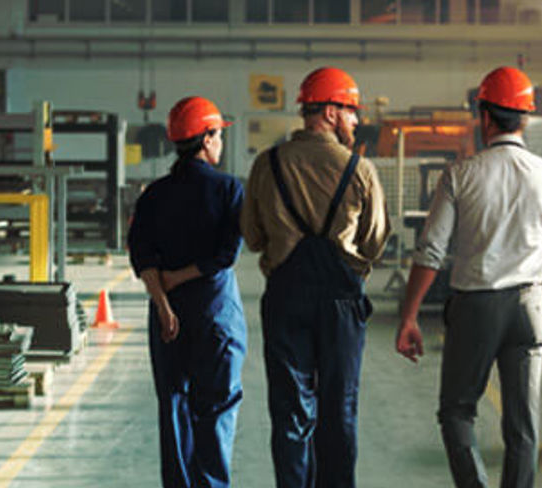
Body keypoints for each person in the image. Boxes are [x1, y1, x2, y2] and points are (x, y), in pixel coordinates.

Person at [395, 66, 542, 488]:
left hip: (477, 304)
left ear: (485, 118)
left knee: (457, 410)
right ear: (524, 119)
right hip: (530, 305)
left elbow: (431, 252)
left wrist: (409, 317)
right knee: (522, 423)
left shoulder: (462, 174)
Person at [241, 66, 391, 488]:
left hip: (285, 298)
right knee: (339, 408)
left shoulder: (266, 165)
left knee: (290, 411)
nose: (356, 120)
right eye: (350, 110)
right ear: (328, 111)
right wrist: (348, 258)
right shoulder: (360, 170)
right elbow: (375, 241)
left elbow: (252, 238)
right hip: (341, 301)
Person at [128, 96, 247, 488]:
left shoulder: (154, 195)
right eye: (219, 135)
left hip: (167, 318)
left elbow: (141, 254)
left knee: (174, 404)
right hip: (215, 312)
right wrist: (180, 279)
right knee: (216, 407)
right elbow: (227, 254)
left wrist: (163, 300)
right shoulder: (229, 189)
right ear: (208, 137)